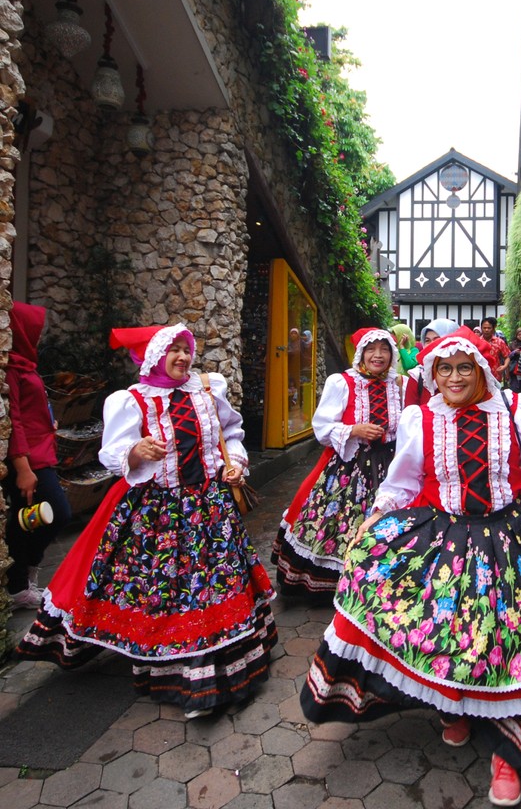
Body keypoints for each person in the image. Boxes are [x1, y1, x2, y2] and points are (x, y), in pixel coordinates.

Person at [301, 326, 521, 807]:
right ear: (433, 374)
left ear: (482, 369)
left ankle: (509, 751)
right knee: (450, 633)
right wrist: (377, 519)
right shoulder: (420, 419)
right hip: (442, 537)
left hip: (511, 536)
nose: (454, 378)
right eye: (444, 369)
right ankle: (457, 708)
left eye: (464, 368)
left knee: (511, 638)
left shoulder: (517, 410)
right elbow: (403, 480)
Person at [16, 323, 277, 718]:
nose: (183, 358)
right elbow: (112, 453)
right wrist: (136, 451)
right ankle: (180, 673)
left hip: (211, 508)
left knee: (211, 588)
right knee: (165, 592)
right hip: (157, 514)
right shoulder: (132, 400)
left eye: (186, 350)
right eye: (173, 350)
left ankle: (211, 672)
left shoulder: (207, 390)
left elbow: (231, 432)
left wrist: (235, 463)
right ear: (152, 356)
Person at [272, 327, 403, 601]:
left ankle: (377, 580)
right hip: (349, 466)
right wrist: (354, 430)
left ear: (392, 354)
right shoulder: (342, 382)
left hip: (390, 468)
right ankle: (334, 583)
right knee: (338, 523)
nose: (378, 355)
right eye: (371, 350)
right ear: (361, 354)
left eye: (384, 350)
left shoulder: (398, 385)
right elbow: (321, 427)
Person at [5, 302, 72, 608]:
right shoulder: (12, 370)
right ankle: (19, 583)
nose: (38, 336)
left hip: (41, 453)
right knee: (55, 514)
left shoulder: (24, 365)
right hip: (29, 459)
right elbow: (12, 419)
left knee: (32, 519)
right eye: (35, 330)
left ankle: (24, 580)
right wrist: (22, 467)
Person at [407, 318, 460, 407]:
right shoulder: (418, 376)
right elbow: (409, 414)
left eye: (436, 339)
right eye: (427, 340)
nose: (431, 344)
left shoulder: (465, 374)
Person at [481, 316, 510, 384]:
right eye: (484, 328)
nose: (486, 330)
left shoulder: (499, 342)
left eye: (489, 328)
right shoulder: (477, 342)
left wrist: (504, 366)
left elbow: (507, 356)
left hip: (495, 377)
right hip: (481, 376)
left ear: (493, 328)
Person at [507, 327, 521, 392]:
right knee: (514, 387)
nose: (520, 336)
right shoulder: (512, 344)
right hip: (513, 368)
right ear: (516, 335)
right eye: (518, 335)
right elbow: (507, 355)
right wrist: (514, 352)